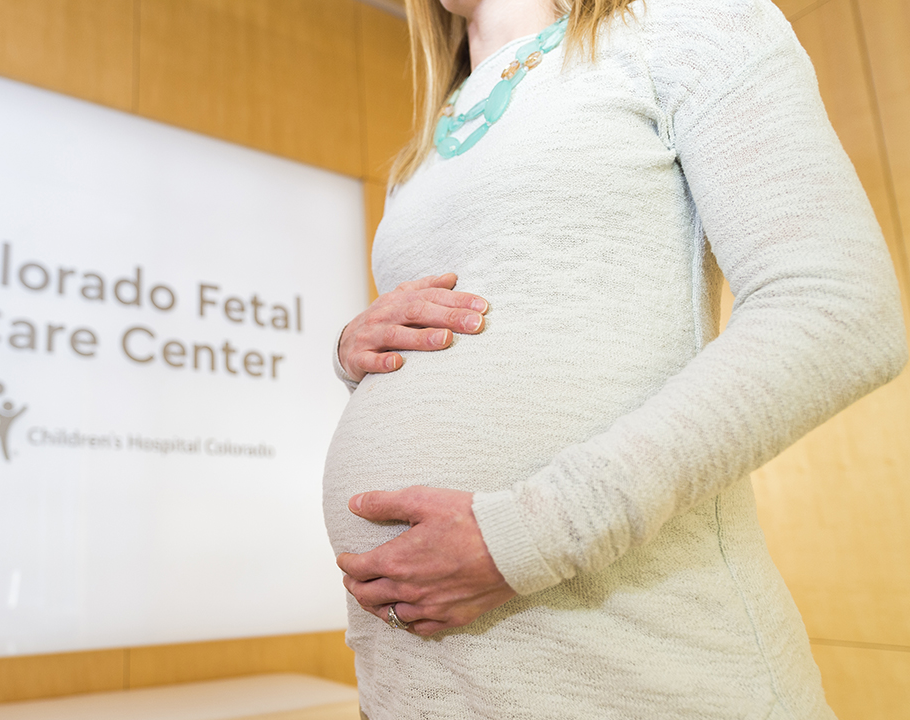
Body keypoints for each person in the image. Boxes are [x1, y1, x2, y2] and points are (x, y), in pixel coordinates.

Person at [323, 0, 907, 716]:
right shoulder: (422, 147)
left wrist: (526, 537)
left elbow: (840, 311)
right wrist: (353, 349)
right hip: (409, 689)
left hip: (641, 680)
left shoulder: (691, 27)